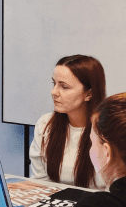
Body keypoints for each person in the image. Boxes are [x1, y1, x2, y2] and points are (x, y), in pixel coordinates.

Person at [30, 55, 106, 188]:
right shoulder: (45, 125)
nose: (53, 92)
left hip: (96, 206)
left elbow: (112, 191)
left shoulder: (109, 132)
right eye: (54, 83)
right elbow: (39, 182)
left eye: (64, 87)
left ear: (88, 94)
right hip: (54, 204)